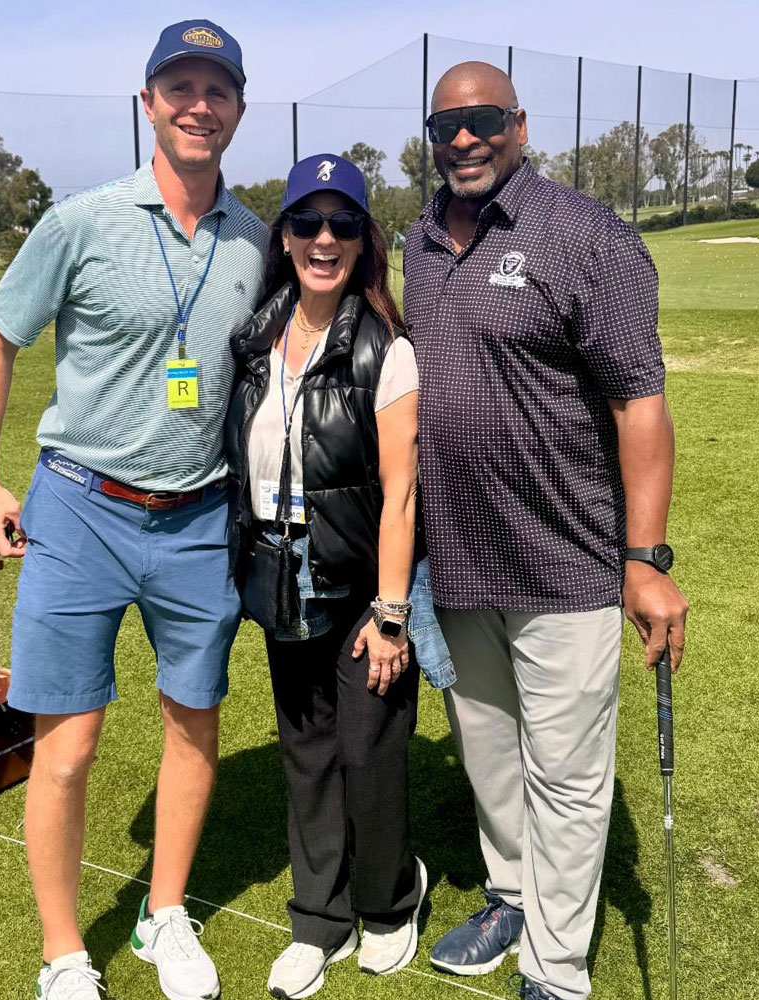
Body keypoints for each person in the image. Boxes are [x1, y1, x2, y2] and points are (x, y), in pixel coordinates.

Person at [0, 20, 268, 1000]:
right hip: (80, 510)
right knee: (69, 745)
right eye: (179, 87)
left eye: (216, 89)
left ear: (238, 108)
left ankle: (163, 913)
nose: (198, 105)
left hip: (199, 519)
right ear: (148, 104)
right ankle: (63, 954)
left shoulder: (257, 239)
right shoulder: (82, 221)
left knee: (194, 722)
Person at [403, 63, 689, 1000]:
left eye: (483, 119)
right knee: (490, 759)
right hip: (458, 559)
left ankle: (558, 970)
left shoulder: (586, 236)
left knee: (566, 775)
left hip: (565, 558)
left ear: (519, 125)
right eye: (445, 125)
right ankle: (512, 896)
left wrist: (644, 559)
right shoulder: (419, 241)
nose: (464, 138)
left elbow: (640, 403)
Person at [225, 153, 430, 999]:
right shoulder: (256, 336)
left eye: (342, 223)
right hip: (280, 577)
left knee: (368, 753)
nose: (323, 238)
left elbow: (401, 493)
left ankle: (388, 901)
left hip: (359, 588)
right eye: (307, 222)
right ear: (284, 237)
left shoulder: (388, 349)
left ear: (362, 240)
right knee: (306, 752)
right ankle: (319, 917)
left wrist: (391, 614)